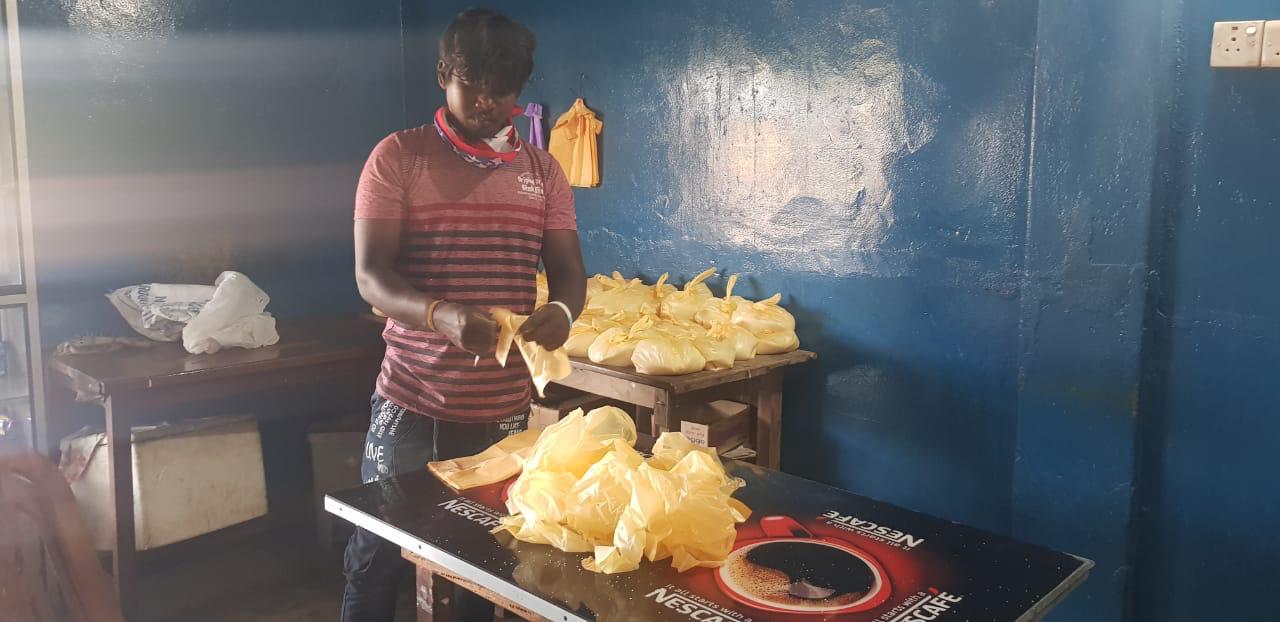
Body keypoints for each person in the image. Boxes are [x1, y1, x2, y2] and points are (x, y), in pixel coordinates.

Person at [343, 9, 585, 620]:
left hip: (501, 413)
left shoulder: (543, 172)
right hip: (413, 399)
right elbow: (371, 275)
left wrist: (562, 310)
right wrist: (439, 314)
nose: (486, 102)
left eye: (502, 90)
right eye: (471, 84)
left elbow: (569, 272)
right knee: (376, 554)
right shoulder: (400, 157)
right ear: (443, 75)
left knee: (483, 564)